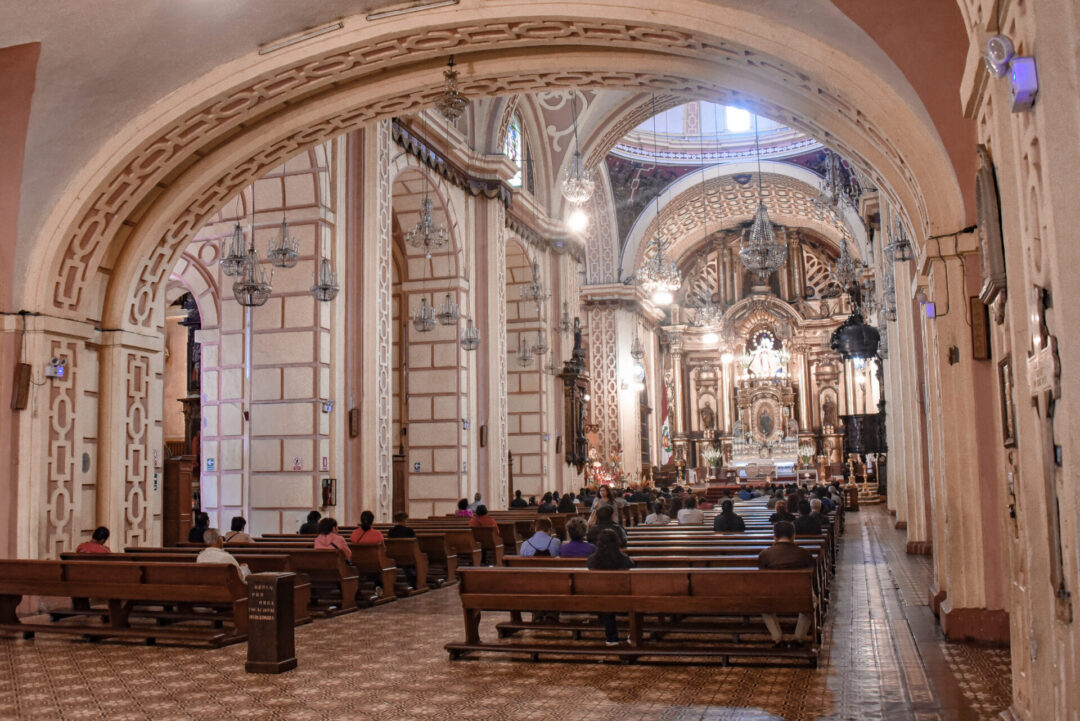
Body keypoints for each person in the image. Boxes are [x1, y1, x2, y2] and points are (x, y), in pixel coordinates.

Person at [757, 521, 814, 646]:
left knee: (764, 605)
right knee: (812, 602)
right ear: (794, 536)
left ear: (774, 537)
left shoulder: (765, 554)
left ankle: (778, 638)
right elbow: (812, 577)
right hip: (800, 596)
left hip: (774, 596)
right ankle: (798, 637)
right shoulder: (804, 554)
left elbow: (762, 579)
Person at [587, 529, 635, 645]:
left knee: (606, 598)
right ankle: (633, 634)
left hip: (599, 597)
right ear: (617, 542)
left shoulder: (592, 560)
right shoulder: (625, 559)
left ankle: (611, 638)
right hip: (624, 597)